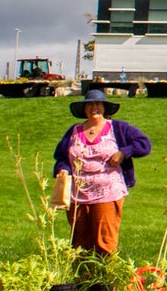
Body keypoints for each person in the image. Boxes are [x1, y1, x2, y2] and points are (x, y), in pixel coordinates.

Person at [52, 88, 152, 257]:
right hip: (78, 194)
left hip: (108, 193)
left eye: (98, 104)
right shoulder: (74, 131)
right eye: (90, 104)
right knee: (80, 244)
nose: (94, 108)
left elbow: (144, 145)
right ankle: (84, 281)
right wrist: (63, 169)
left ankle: (107, 282)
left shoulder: (118, 128)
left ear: (105, 108)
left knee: (104, 243)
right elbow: (62, 156)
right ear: (84, 109)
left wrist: (123, 153)